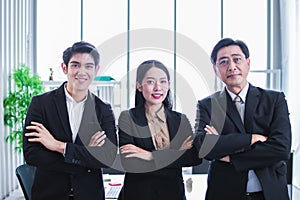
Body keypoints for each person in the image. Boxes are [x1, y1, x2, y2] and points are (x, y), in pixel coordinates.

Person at [193, 38, 292, 200]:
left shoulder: (274, 100)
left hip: (270, 193)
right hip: (224, 193)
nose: (232, 66)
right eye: (224, 62)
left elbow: (281, 148)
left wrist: (229, 155)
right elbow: (203, 146)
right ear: (215, 69)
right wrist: (251, 139)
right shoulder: (207, 105)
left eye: (237, 59)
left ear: (248, 63)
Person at [23, 41, 117, 200]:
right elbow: (32, 154)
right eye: (75, 65)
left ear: (96, 70)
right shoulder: (41, 104)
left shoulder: (103, 110)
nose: (82, 71)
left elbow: (108, 157)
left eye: (88, 66)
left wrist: (58, 146)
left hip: (89, 195)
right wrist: (86, 156)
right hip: (49, 194)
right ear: (64, 68)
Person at [117, 60, 202, 200]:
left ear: (169, 85)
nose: (158, 87)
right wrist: (176, 156)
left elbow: (194, 157)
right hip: (137, 195)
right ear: (139, 86)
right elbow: (129, 163)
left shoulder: (180, 120)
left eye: (163, 81)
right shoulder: (128, 117)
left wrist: (150, 156)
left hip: (173, 194)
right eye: (151, 82)